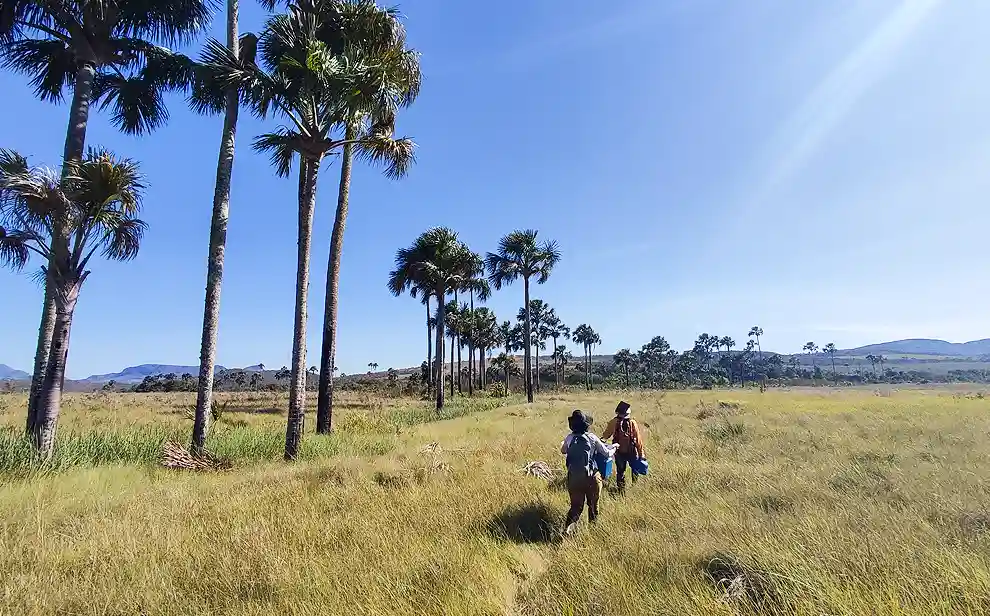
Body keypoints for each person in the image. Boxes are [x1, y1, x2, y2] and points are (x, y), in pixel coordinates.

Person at [561, 410, 614, 534]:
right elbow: (606, 453)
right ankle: (592, 532)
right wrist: (615, 447)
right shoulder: (592, 437)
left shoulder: (570, 437)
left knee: (575, 507)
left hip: (574, 477)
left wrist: (564, 444)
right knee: (593, 506)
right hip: (592, 477)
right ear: (586, 425)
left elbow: (563, 451)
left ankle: (567, 530)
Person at [601, 401, 644, 493]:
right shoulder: (632, 422)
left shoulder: (613, 422)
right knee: (635, 470)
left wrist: (600, 442)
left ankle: (621, 490)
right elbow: (638, 440)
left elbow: (606, 435)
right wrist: (641, 454)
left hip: (619, 451)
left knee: (620, 471)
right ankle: (634, 486)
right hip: (632, 450)